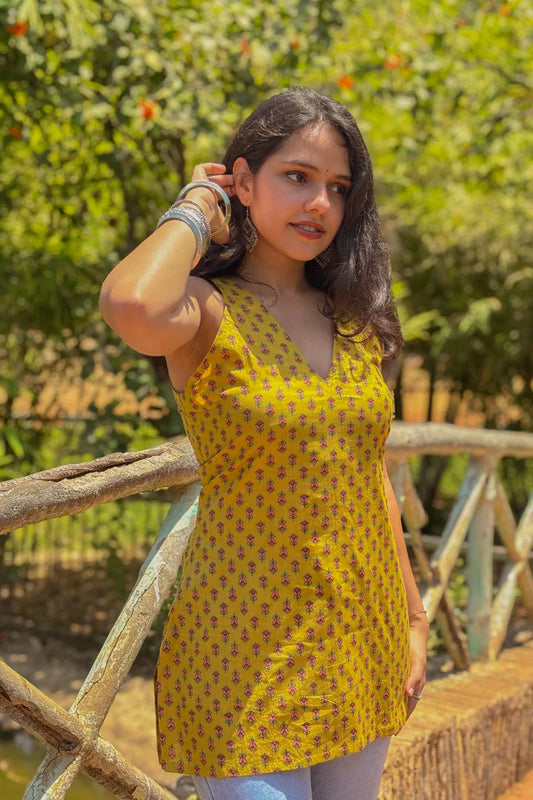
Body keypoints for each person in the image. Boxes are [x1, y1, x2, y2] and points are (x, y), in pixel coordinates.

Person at [99, 86, 428, 800]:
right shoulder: (206, 313)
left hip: (359, 630)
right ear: (243, 180)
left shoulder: (354, 320)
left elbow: (368, 475)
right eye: (296, 177)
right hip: (244, 642)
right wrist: (195, 207)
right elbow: (131, 303)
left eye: (337, 189)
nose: (319, 205)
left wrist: (411, 616)